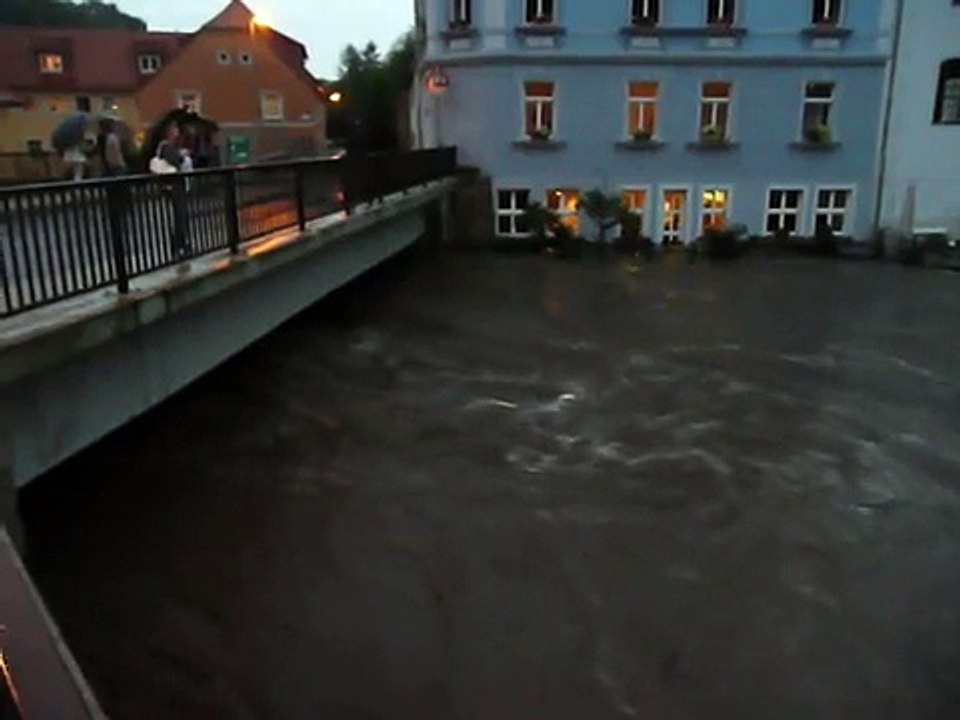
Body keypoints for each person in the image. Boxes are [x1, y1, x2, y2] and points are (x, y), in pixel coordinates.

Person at [151, 123, 191, 258]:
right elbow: (176, 160)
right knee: (179, 216)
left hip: (173, 186)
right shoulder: (167, 146)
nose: (177, 133)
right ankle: (180, 245)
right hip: (174, 186)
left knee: (179, 216)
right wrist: (182, 155)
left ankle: (180, 244)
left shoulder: (168, 147)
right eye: (175, 131)